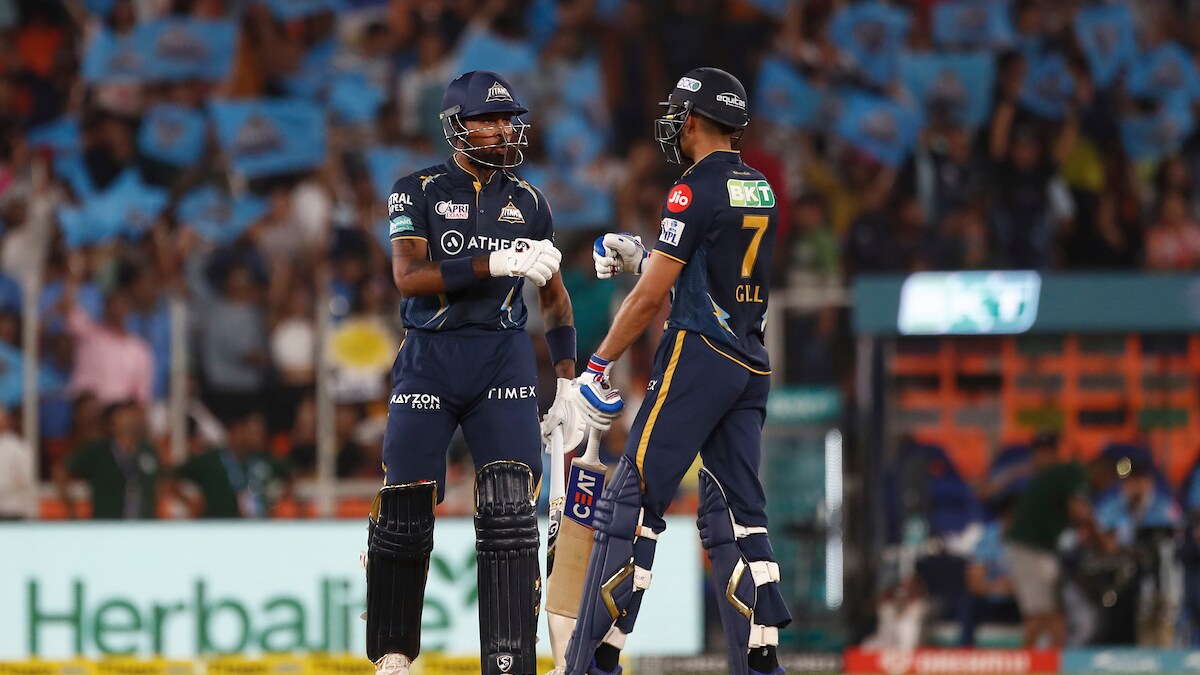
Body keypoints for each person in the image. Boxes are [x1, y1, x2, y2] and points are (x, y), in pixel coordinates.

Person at [552, 67, 792, 675]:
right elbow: (716, 267)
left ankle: (589, 666)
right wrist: (648, 255)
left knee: (631, 501)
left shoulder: (692, 188)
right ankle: (760, 667)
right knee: (735, 517)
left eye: (679, 113)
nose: (673, 125)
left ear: (695, 119)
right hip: (749, 362)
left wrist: (598, 364)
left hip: (698, 355)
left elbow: (650, 299)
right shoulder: (759, 185)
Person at [364, 70, 575, 675]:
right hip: (430, 357)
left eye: (509, 119)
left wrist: (566, 380)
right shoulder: (416, 190)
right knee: (405, 502)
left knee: (510, 510)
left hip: (502, 357)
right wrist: (494, 262)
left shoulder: (531, 203)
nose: (504, 130)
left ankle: (508, 661)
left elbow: (555, 298)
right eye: (490, 119)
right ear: (457, 126)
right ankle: (394, 654)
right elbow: (408, 277)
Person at [1004, 432, 1115, 648]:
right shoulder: (1075, 474)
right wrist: (1103, 543)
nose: (1107, 486)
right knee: (1040, 615)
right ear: (1101, 471)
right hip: (1031, 548)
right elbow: (1080, 513)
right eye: (1109, 479)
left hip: (1041, 549)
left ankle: (1055, 662)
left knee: (1055, 614)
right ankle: (1025, 662)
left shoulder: (1063, 476)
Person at [170, 412, 294, 518]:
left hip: (258, 528)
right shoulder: (210, 461)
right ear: (236, 430)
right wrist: (188, 502)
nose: (260, 436)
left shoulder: (263, 460)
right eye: (254, 431)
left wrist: (279, 503)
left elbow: (292, 475)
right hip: (217, 527)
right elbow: (172, 477)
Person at [54, 400, 160, 520]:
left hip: (144, 524)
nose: (131, 420)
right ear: (113, 423)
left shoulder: (147, 450)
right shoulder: (98, 451)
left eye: (132, 415)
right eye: (124, 416)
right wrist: (70, 506)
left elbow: (162, 479)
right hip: (107, 523)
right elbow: (61, 469)